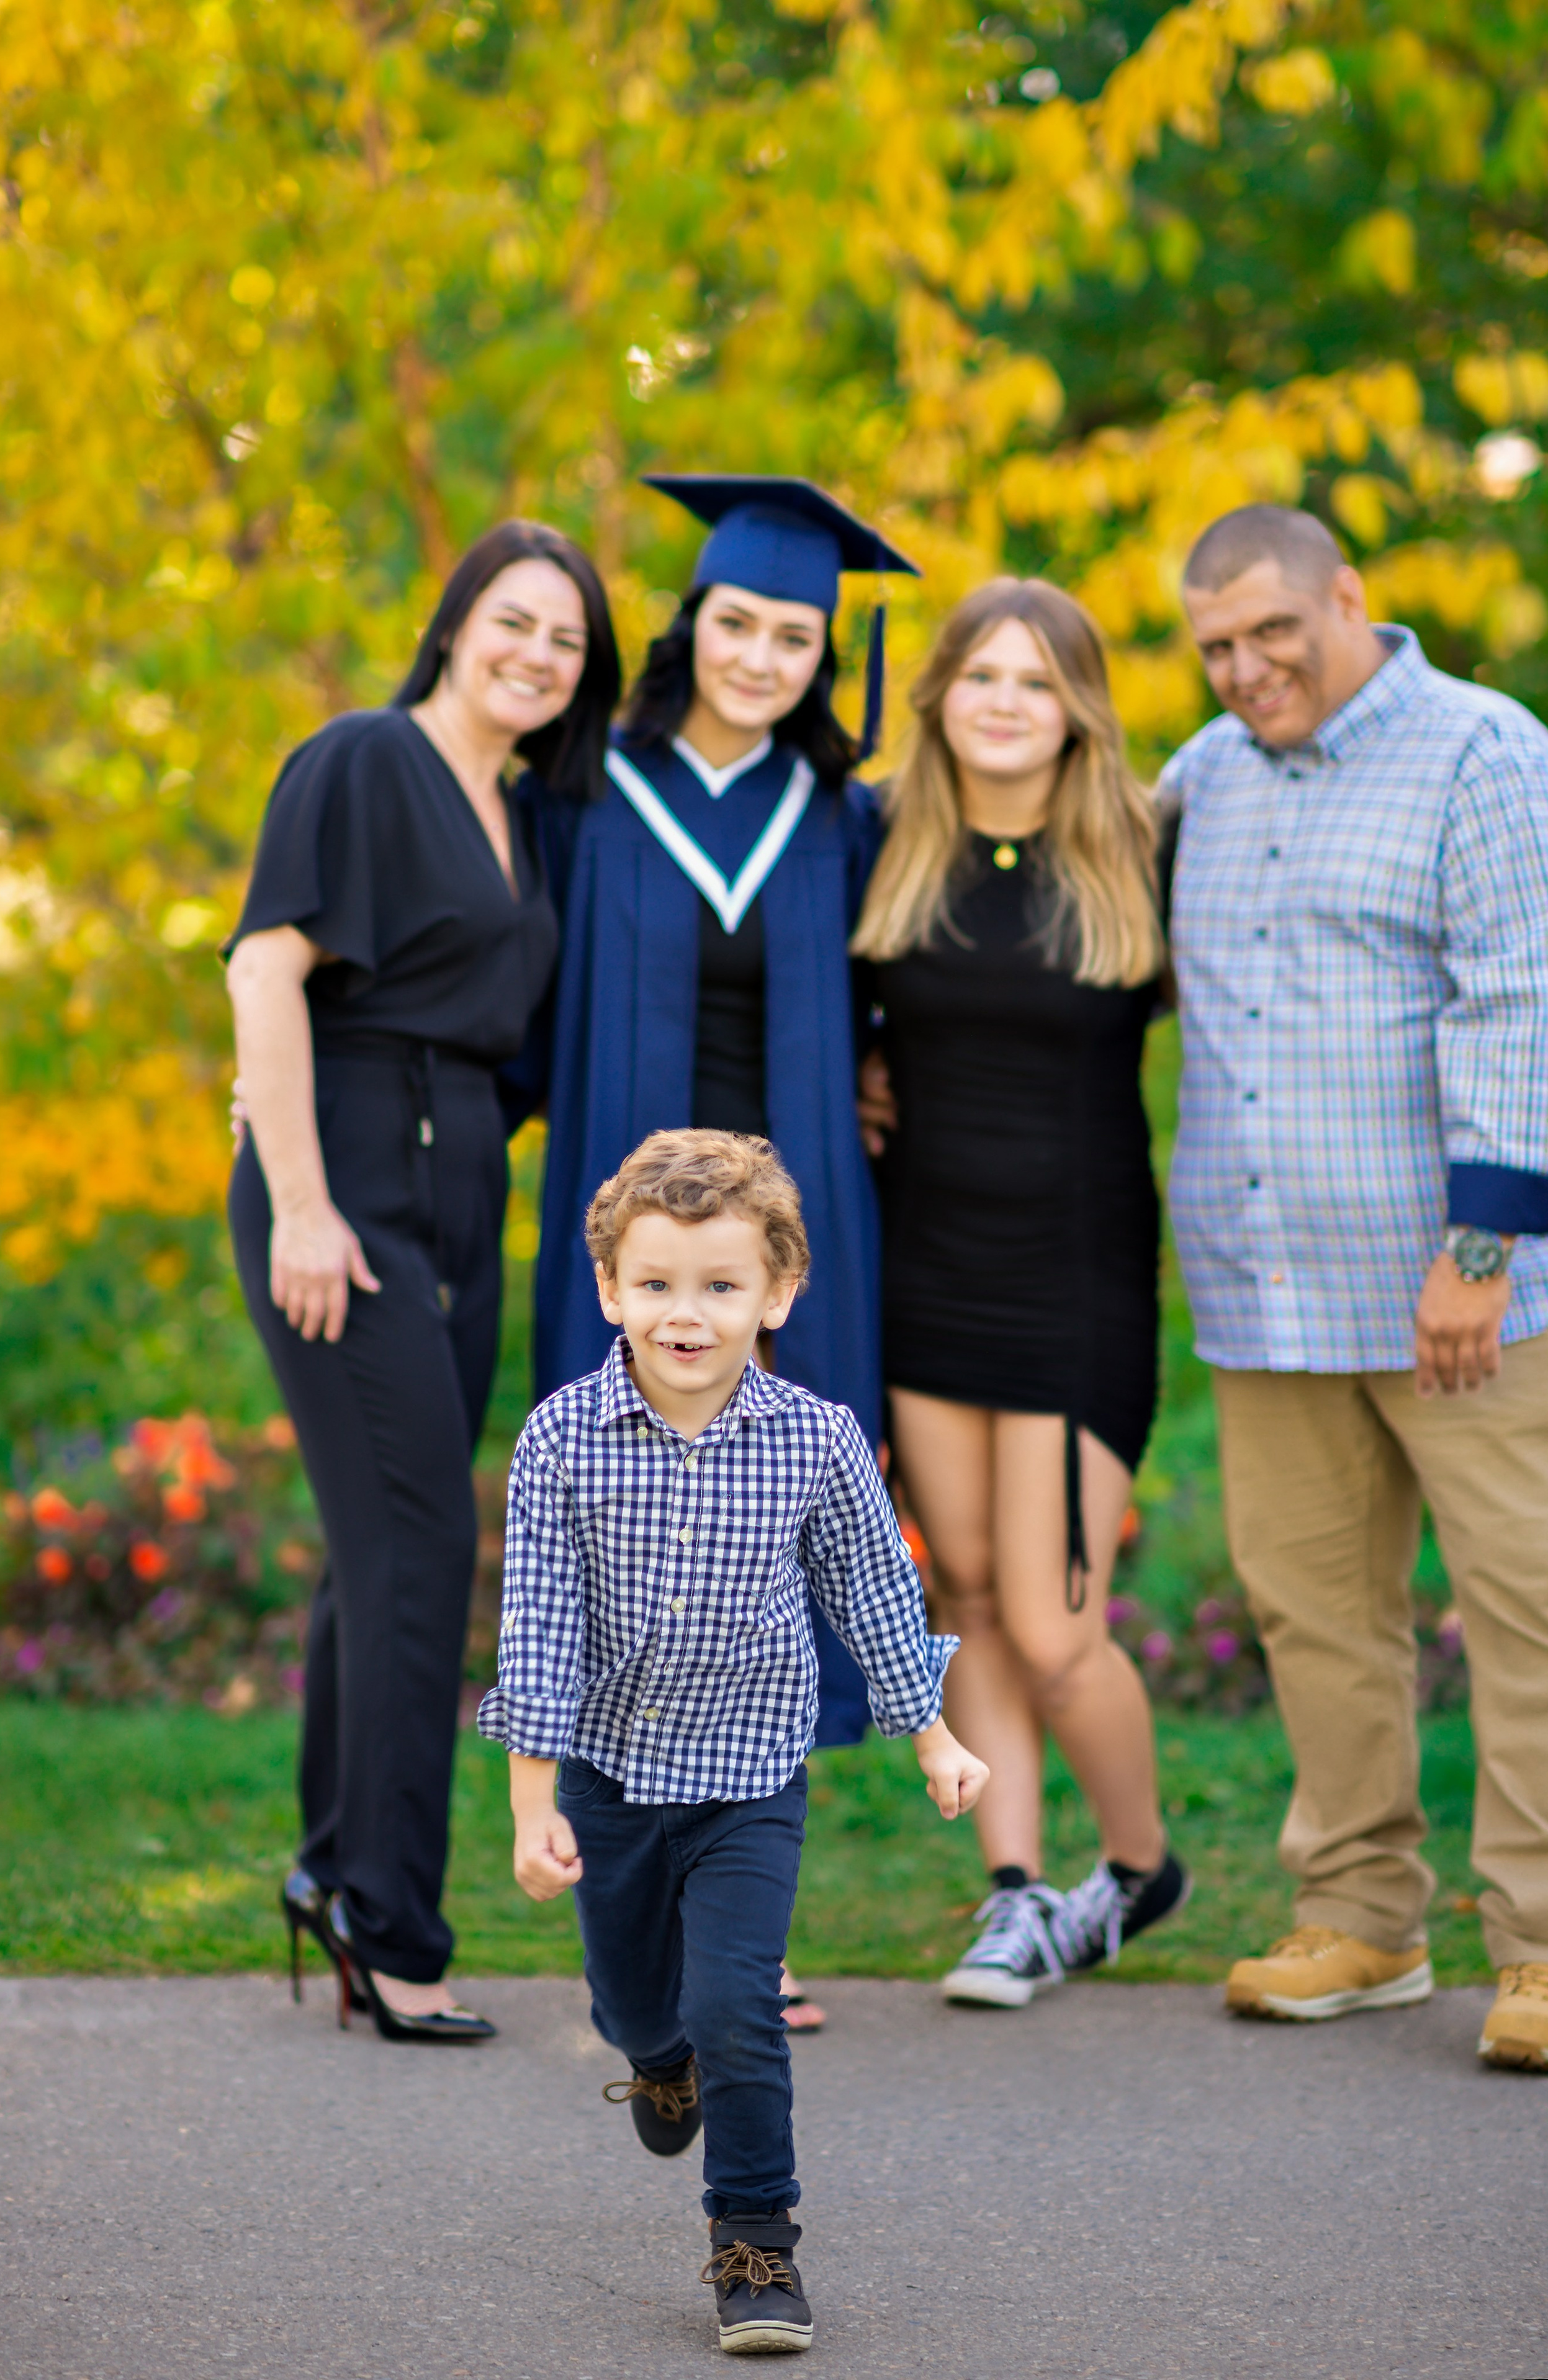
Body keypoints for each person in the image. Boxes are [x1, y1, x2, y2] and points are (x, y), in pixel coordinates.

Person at [1166, 501, 1548, 2070]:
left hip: (1463, 1296)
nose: (1245, 666)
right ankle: (1362, 1917)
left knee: (1532, 1613)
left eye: (1272, 628)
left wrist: (1479, 1249)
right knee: (1316, 1618)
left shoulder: (1483, 752)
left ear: (1346, 595)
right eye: (1213, 645)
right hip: (1270, 1295)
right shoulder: (1200, 779)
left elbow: (1533, 1001)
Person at [521, 474, 922, 2033]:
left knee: (784, 1545)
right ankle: (630, 1899)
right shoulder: (590, 791)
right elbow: (520, 1004)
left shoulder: (841, 813)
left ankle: (743, 1929)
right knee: (614, 1538)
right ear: (690, 625)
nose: (761, 654)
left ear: (826, 655)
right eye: (736, 622)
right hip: (634, 1241)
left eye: (795, 634)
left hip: (794, 1232)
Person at [480, 1129, 986, 2354]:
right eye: (654, 1284)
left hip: (750, 1777)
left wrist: (932, 1737)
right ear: (609, 1288)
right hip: (605, 1774)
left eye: (718, 1285)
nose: (685, 1314)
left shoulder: (814, 1440)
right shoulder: (560, 1440)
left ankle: (753, 2243)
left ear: (777, 1291)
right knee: (631, 2002)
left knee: (736, 2006)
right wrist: (528, 1805)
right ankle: (659, 2062)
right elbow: (539, 1629)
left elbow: (872, 1589)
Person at [226, 519, 620, 2041]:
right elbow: (266, 969)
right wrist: (303, 1206)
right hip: (349, 1180)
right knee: (423, 1546)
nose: (534, 653)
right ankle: (393, 1928)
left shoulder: (526, 811)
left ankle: (336, 1874)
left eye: (565, 641)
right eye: (512, 621)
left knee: (376, 1545)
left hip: (463, 1187)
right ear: (454, 620)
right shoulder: (362, 758)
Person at [852, 578, 1190, 2008]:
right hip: (927, 1269)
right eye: (980, 674)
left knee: (1056, 1626)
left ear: (1075, 710)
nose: (1003, 699)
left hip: (1075, 1281)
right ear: (940, 696)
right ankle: (1011, 1891)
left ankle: (1134, 1869)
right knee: (971, 1589)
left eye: (1035, 680)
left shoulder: (1139, 848)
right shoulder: (885, 847)